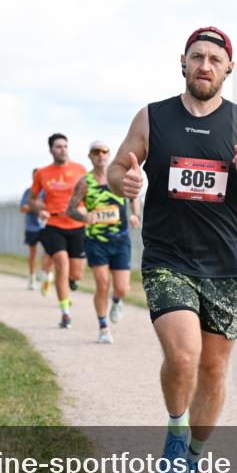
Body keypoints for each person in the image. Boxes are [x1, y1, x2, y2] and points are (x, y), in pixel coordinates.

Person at [108, 26, 237, 473]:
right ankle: (175, 430)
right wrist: (123, 183)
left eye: (214, 59)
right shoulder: (153, 117)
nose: (205, 65)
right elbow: (117, 168)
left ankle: (195, 459)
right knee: (184, 355)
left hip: (223, 265)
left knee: (213, 369)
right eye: (197, 56)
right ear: (183, 62)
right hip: (167, 258)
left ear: (229, 69)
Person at [66, 140, 142, 344]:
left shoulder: (118, 177)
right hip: (96, 241)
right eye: (95, 152)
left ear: (109, 155)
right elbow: (70, 209)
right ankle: (103, 328)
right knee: (102, 284)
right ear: (90, 156)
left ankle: (117, 301)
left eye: (104, 151)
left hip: (120, 240)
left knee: (122, 288)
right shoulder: (85, 182)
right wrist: (84, 217)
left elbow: (133, 196)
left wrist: (135, 214)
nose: (100, 155)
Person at [30, 134, 87, 328]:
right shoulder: (42, 173)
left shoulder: (80, 170)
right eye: (58, 147)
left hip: (77, 225)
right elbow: (32, 199)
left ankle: (64, 283)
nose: (63, 150)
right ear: (51, 150)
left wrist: (87, 210)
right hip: (54, 225)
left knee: (76, 274)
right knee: (62, 263)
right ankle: (65, 313)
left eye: (65, 146)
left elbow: (88, 195)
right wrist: (40, 209)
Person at [20, 168, 53, 291]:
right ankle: (32, 277)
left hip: (46, 225)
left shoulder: (48, 191)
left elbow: (53, 206)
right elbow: (23, 208)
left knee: (51, 252)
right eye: (35, 176)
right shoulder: (28, 192)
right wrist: (36, 207)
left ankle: (45, 273)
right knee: (33, 253)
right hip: (32, 227)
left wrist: (40, 206)